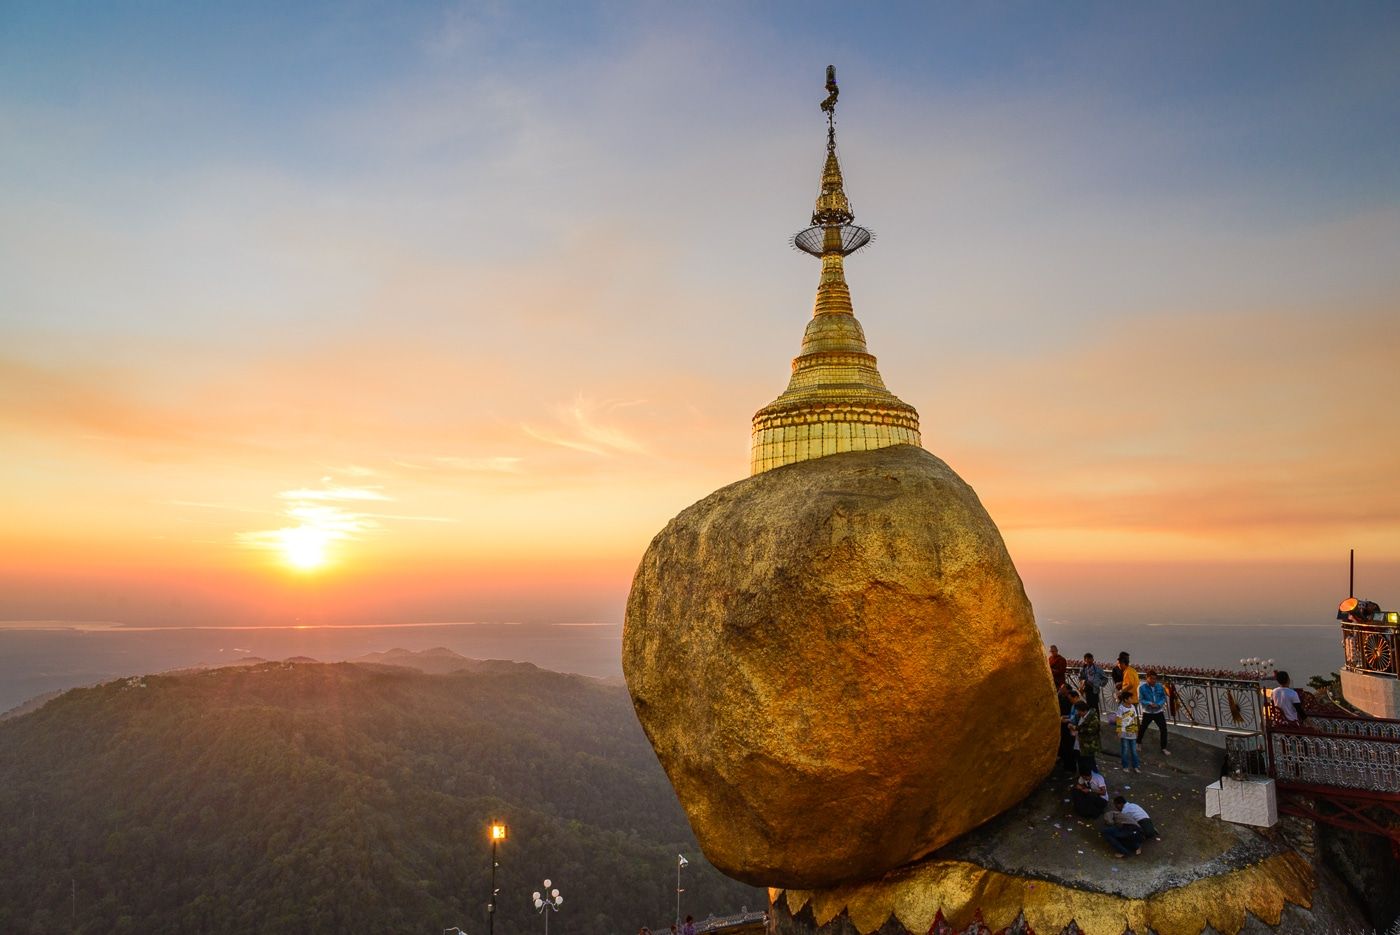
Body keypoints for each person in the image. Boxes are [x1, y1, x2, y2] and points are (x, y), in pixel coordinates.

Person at [1137, 670, 1170, 756]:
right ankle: (1138, 742)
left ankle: (1163, 747)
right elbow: (1141, 699)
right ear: (1147, 678)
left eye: (1155, 679)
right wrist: (1149, 703)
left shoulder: (1159, 687)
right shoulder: (1142, 688)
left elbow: (1163, 697)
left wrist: (1158, 704)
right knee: (1143, 728)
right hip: (1148, 711)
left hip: (1158, 711)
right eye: (1151, 679)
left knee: (1163, 729)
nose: (1153, 681)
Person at [1071, 698, 1101, 772]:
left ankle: (1096, 778)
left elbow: (1092, 730)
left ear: (1083, 710)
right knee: (1082, 762)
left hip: (1089, 745)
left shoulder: (1093, 717)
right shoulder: (1080, 716)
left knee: (1090, 762)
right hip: (1080, 744)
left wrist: (1077, 729)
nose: (1077, 713)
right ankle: (1084, 777)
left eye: (1078, 711)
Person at [1115, 689, 1141, 772]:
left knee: (1134, 750)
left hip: (1132, 732)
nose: (1132, 700)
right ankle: (1125, 766)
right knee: (1125, 750)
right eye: (1130, 698)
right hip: (1124, 732)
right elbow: (1118, 720)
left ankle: (1136, 766)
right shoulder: (1121, 708)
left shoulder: (1133, 707)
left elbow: (1135, 718)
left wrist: (1136, 730)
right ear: (1126, 699)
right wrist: (1119, 731)